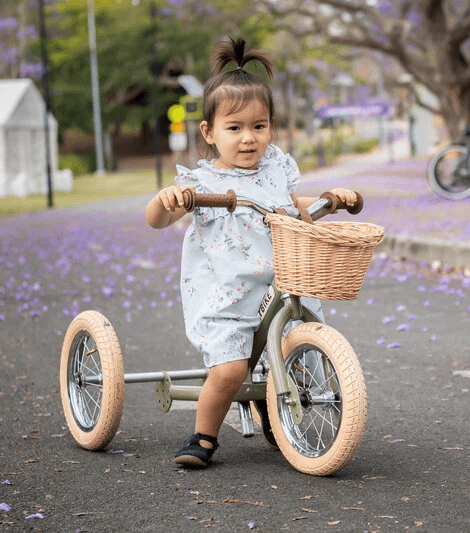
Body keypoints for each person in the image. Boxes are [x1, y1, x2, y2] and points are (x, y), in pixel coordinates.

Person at [145, 37, 357, 468]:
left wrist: (329, 200)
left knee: (291, 346)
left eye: (258, 127)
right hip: (227, 293)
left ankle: (278, 413)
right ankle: (203, 437)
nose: (248, 139)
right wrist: (169, 199)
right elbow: (157, 219)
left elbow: (294, 207)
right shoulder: (201, 184)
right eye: (235, 128)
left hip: (278, 282)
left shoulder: (276, 170)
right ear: (209, 132)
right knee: (229, 370)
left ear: (271, 128)